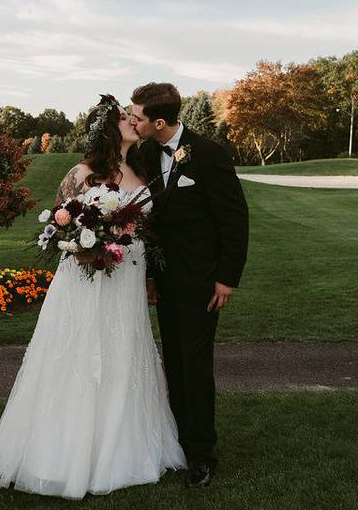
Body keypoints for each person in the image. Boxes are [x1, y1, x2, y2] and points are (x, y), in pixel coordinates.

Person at [0, 95, 186, 499]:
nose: (133, 122)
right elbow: (57, 229)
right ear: (107, 128)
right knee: (80, 353)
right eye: (124, 118)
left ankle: (123, 447)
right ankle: (63, 453)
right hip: (87, 278)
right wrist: (87, 244)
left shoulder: (142, 169)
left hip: (128, 278)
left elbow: (152, 230)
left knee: (123, 352)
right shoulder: (81, 173)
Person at [130, 82, 250, 488]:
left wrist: (226, 279)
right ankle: (177, 443)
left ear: (159, 122)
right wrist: (148, 275)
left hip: (202, 283)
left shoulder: (210, 155)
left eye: (139, 116)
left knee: (196, 365)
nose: (134, 120)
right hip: (164, 282)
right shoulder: (145, 153)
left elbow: (234, 220)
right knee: (175, 364)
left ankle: (201, 455)